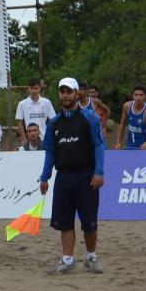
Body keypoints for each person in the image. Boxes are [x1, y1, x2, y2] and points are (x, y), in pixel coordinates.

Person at [39, 77, 107, 274]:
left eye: (69, 91)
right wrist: (45, 177)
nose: (65, 95)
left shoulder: (90, 118)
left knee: (89, 222)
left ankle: (91, 257)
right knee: (65, 222)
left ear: (77, 94)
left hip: (86, 177)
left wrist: (99, 172)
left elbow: (99, 145)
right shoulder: (54, 123)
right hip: (63, 177)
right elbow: (50, 152)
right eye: (62, 92)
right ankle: (68, 260)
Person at [14, 76, 56, 148]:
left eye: (36, 88)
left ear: (40, 88)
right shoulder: (22, 104)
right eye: (32, 88)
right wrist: (24, 138)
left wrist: (50, 135)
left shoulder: (46, 102)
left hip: (44, 138)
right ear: (28, 89)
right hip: (29, 140)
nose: (34, 91)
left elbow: (53, 120)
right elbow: (19, 122)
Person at [118, 86, 146, 151]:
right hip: (130, 147)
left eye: (141, 95)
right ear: (132, 96)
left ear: (145, 96)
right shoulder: (127, 106)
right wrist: (118, 142)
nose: (138, 97)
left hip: (144, 148)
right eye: (136, 95)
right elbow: (122, 124)